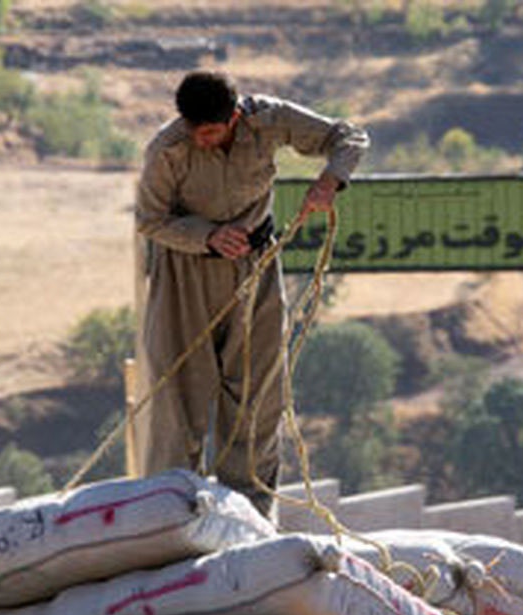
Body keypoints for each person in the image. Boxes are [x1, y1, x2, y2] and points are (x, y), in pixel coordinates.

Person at [134, 70, 369, 518]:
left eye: (211, 132)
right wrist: (207, 236)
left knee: (257, 395)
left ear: (235, 116)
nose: (201, 141)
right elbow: (150, 219)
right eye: (194, 132)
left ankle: (253, 515)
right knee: (177, 400)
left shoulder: (270, 120)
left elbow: (349, 137)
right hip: (186, 274)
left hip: (255, 269)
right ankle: (169, 517)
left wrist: (330, 181)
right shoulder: (167, 149)